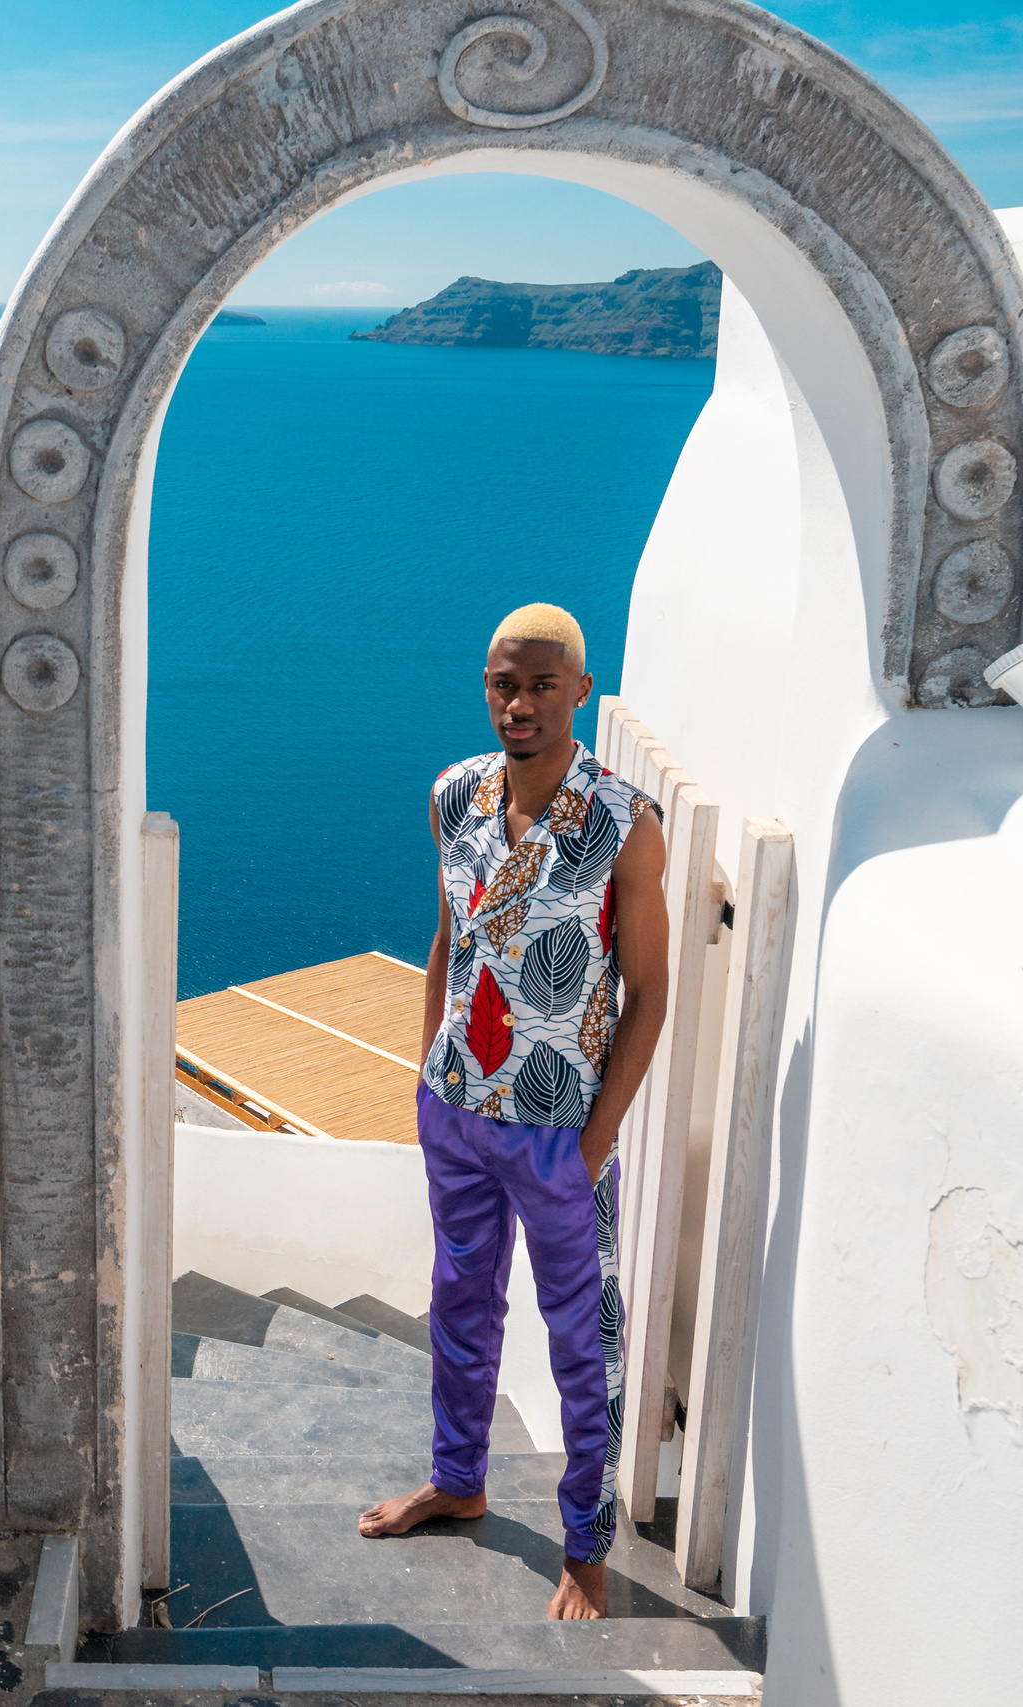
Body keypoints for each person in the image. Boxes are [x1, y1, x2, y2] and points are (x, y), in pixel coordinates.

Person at [356, 602, 670, 1621]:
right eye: (503, 682)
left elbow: (651, 991)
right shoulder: (454, 796)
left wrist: (595, 1141)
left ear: (579, 691)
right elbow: (447, 934)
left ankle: (584, 1544)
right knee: (458, 1306)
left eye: (541, 684)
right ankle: (458, 1480)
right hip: (454, 1109)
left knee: (584, 1336)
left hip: (558, 1132)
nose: (519, 702)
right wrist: (425, 1069)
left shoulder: (622, 822)